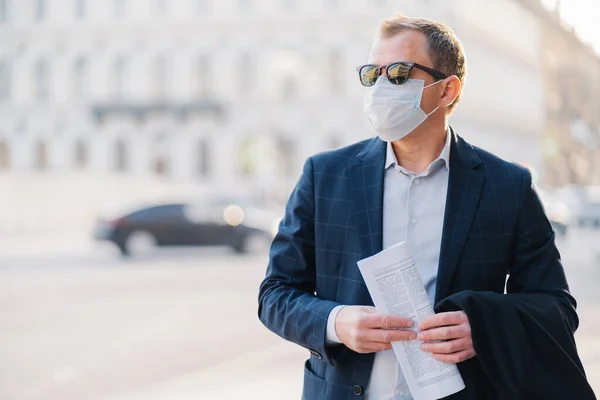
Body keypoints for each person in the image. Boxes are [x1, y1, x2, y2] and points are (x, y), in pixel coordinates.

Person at [258, 14, 595, 400]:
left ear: (447, 90)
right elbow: (275, 293)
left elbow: (556, 308)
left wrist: (483, 327)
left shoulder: (508, 187)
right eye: (373, 74)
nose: (382, 86)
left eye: (399, 73)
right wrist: (336, 322)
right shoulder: (325, 175)